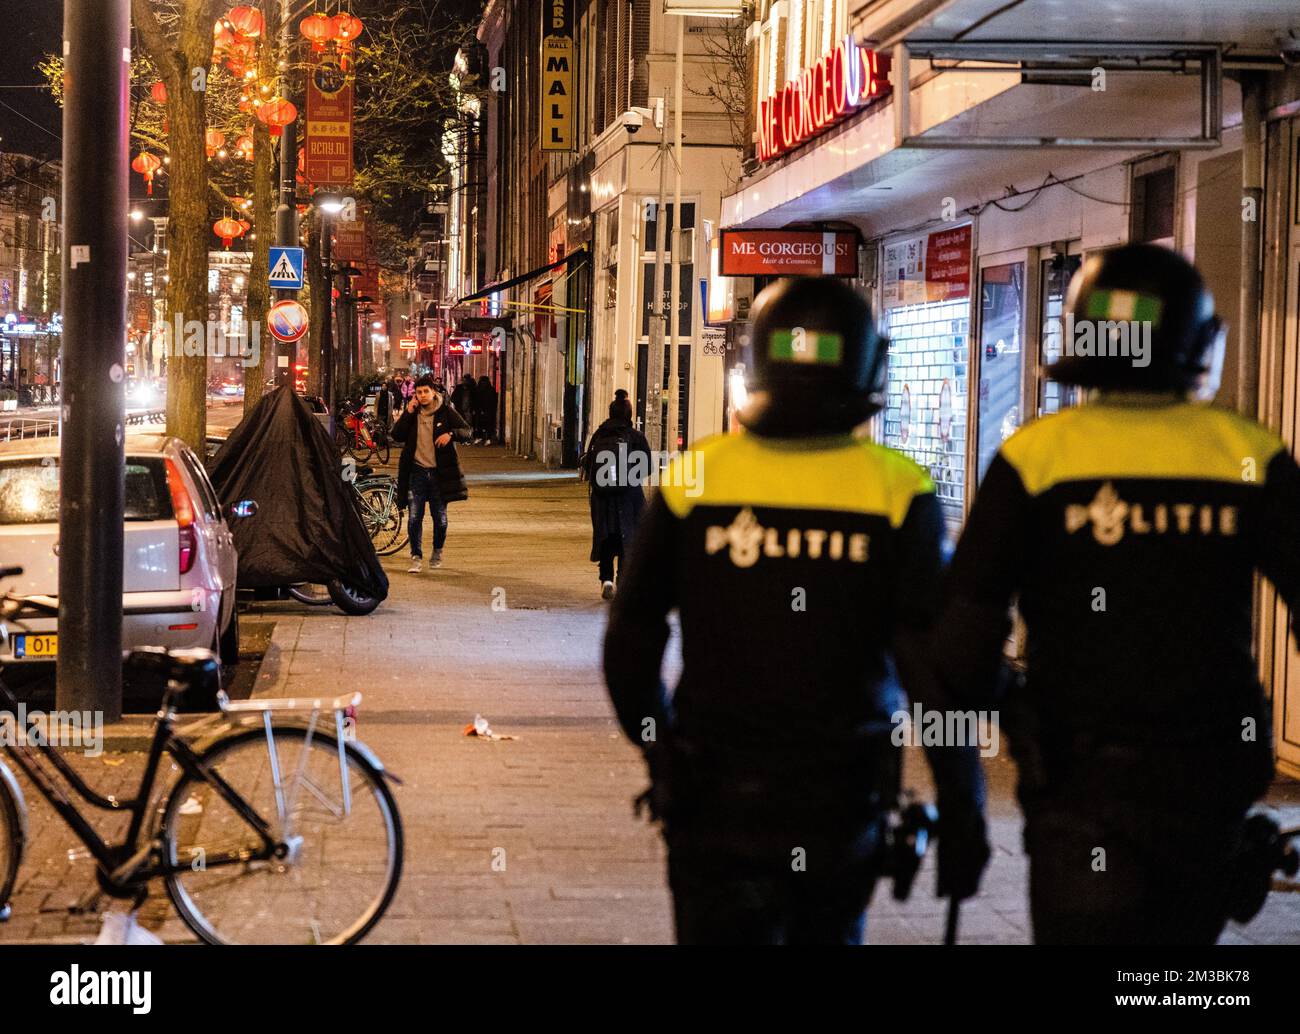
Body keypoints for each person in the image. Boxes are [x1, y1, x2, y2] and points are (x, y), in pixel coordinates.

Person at [603, 276, 989, 944]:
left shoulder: (696, 476)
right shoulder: (899, 491)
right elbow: (936, 669)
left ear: (756, 364)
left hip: (714, 798)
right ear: (869, 364)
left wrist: (660, 754)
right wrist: (964, 804)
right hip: (840, 801)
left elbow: (631, 638)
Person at [936, 243, 1300, 945]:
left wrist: (1003, 729)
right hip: (1207, 780)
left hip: (1076, 778)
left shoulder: (1036, 458)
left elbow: (958, 645)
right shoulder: (1248, 455)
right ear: (1199, 342)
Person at [392, 374, 471, 573]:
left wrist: (451, 434)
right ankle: (416, 556)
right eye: (419, 392)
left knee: (440, 519)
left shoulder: (445, 412)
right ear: (415, 395)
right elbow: (396, 435)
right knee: (414, 517)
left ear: (433, 392)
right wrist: (407, 413)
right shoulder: (413, 413)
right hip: (416, 473)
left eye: (426, 391)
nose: (423, 395)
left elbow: (467, 430)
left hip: (439, 474)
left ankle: (437, 551)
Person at [582, 395, 651, 599]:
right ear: (629, 414)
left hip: (602, 497)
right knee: (627, 539)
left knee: (605, 536)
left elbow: (588, 466)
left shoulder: (599, 435)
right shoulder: (635, 436)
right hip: (629, 497)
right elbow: (646, 466)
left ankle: (606, 579)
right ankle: (622, 581)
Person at [475, 375, 498, 444]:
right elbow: (494, 400)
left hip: (482, 410)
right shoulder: (491, 389)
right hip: (488, 410)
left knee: (480, 424)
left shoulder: (478, 389)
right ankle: (487, 438)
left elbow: (477, 400)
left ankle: (481, 437)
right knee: (488, 425)